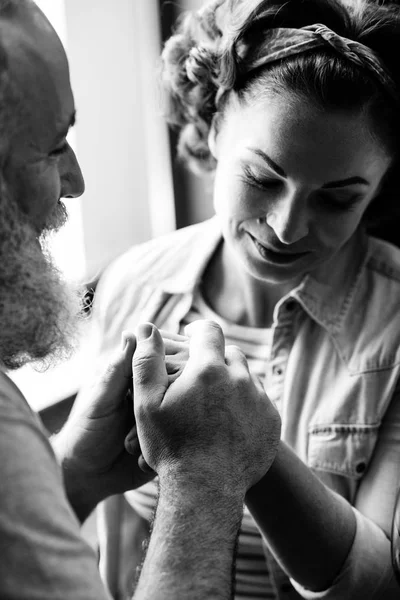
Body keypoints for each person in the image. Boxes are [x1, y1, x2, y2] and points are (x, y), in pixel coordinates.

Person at [91, 0, 400, 597]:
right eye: (261, 178)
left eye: (336, 200)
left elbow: (379, 583)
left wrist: (242, 443)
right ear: (212, 131)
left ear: (381, 187)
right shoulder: (132, 284)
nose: (287, 227)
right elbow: (121, 538)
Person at [0, 1, 281, 599]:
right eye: (53, 148)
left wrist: (71, 474)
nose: (77, 182)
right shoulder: (134, 283)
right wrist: (203, 478)